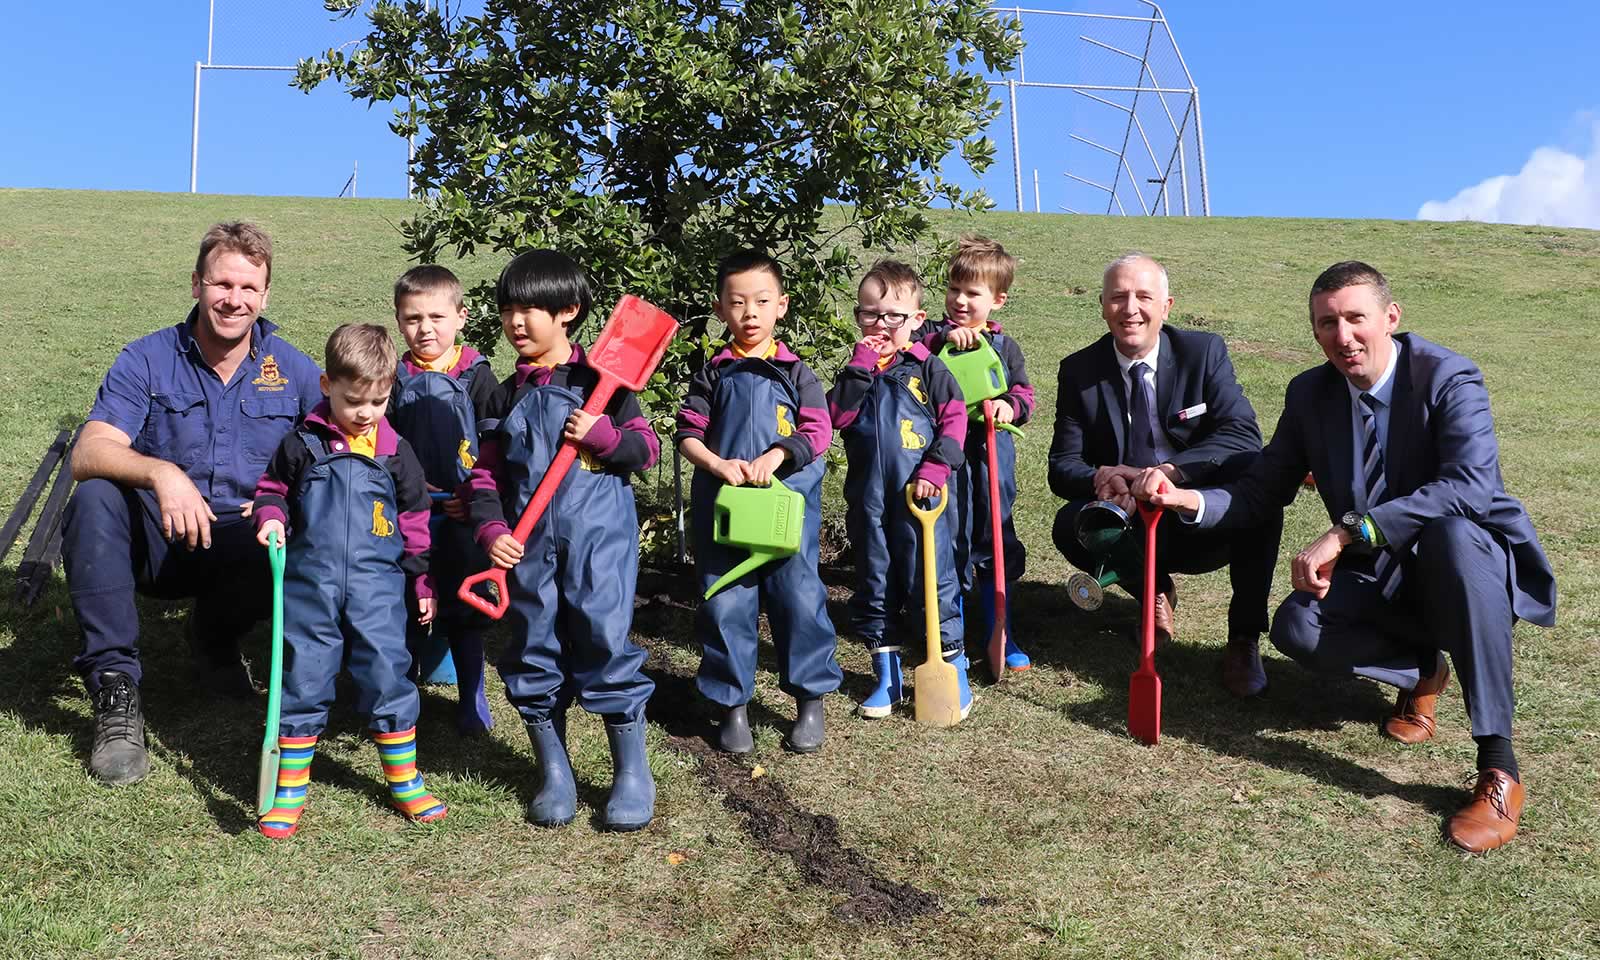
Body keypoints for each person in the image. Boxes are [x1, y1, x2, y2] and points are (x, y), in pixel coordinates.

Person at [1135, 261, 1556, 852]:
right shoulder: (1310, 393)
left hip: (1469, 564)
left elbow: (1469, 487)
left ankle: (1499, 770)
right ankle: (1422, 670)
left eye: (1356, 318)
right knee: (1297, 626)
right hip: (1381, 571)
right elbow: (1264, 488)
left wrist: (1349, 530)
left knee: (1452, 538)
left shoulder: (1449, 377)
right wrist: (1188, 498)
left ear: (1391, 317)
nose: (1343, 335)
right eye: (1327, 323)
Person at [63, 222, 323, 786]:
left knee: (295, 522)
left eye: (249, 288)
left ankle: (215, 639)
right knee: (94, 499)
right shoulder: (147, 358)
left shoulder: (296, 370)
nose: (234, 300)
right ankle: (115, 691)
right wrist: (162, 472)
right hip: (160, 538)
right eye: (221, 284)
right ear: (196, 285)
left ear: (266, 295)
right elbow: (89, 451)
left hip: (245, 543)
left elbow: (340, 449)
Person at [467, 249, 660, 831]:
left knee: (603, 636)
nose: (516, 323)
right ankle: (555, 771)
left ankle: (631, 771)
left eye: (530, 310)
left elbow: (646, 451)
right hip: (528, 547)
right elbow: (485, 476)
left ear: (568, 311)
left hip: (599, 537)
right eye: (508, 311)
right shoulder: (502, 395)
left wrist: (604, 435)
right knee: (532, 644)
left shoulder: (606, 381)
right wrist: (493, 529)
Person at [1047, 252, 1281, 697]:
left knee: (1262, 495)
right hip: (1129, 518)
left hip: (1195, 509)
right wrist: (1101, 479)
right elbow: (1061, 466)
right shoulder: (1078, 371)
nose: (1130, 308)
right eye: (1118, 297)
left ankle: (1243, 640)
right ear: (1102, 305)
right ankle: (1152, 592)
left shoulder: (1203, 352)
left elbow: (1243, 434)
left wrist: (1168, 473)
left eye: (1143, 297)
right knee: (1069, 524)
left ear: (1167, 306)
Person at [251, 323, 446, 838]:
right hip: (308, 586)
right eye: (354, 400)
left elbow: (416, 521)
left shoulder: (394, 451)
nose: (365, 413)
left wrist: (421, 582)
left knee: (387, 670)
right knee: (305, 672)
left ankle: (403, 777)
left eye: (378, 401)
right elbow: (271, 490)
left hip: (377, 587)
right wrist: (270, 517)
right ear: (326, 385)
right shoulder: (302, 444)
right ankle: (290, 787)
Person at [676, 251, 842, 754]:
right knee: (726, 604)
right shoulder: (711, 374)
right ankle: (732, 707)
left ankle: (810, 701)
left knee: (800, 602)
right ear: (721, 309)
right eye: (738, 302)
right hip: (723, 512)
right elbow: (687, 433)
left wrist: (776, 455)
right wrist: (716, 464)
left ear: (781, 306)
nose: (750, 311)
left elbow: (819, 431)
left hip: (784, 513)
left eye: (762, 301)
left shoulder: (797, 372)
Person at [827, 259, 971, 720]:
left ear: (916, 318)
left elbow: (954, 424)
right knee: (874, 580)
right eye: (871, 314)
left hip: (923, 499)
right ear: (858, 317)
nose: (882, 325)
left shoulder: (929, 370)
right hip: (869, 501)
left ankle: (953, 667)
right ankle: (887, 679)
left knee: (933, 579)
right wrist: (860, 367)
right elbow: (835, 418)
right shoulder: (856, 372)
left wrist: (935, 469)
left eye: (894, 315)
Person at [387, 265, 499, 734]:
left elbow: (494, 449)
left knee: (464, 603)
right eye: (412, 318)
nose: (424, 328)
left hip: (462, 514)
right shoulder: (392, 377)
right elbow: (381, 443)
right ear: (398, 321)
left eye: (436, 316)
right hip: (407, 512)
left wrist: (472, 499)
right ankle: (401, 693)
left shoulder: (477, 375)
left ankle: (472, 694)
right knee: (406, 600)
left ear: (461, 318)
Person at [921, 236, 1035, 672]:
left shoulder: (1005, 348)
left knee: (994, 537)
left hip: (991, 457)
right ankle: (951, 635)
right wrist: (943, 340)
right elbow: (913, 361)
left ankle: (1000, 631)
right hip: (943, 457)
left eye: (973, 293)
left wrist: (1011, 405)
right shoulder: (929, 338)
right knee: (947, 538)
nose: (960, 301)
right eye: (954, 289)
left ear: (998, 300)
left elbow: (1024, 394)